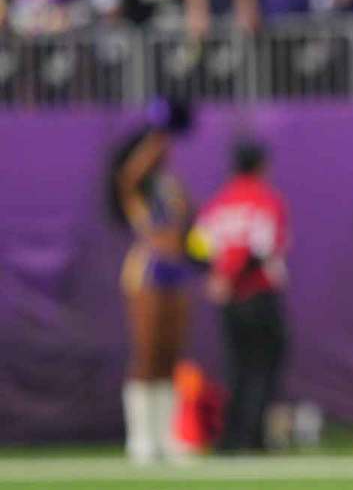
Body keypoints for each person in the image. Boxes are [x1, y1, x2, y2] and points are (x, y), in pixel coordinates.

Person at [106, 99, 195, 464]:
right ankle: (140, 439)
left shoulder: (168, 186)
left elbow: (188, 214)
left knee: (169, 354)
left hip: (176, 268)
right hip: (147, 269)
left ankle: (166, 436)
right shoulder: (135, 188)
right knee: (146, 351)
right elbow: (127, 176)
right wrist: (154, 138)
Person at [192, 139, 289, 453]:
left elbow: (197, 247)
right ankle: (253, 438)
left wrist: (218, 276)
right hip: (257, 294)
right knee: (263, 366)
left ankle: (230, 438)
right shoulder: (265, 199)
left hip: (228, 299)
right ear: (262, 165)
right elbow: (261, 249)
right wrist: (234, 278)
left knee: (235, 367)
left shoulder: (218, 203)